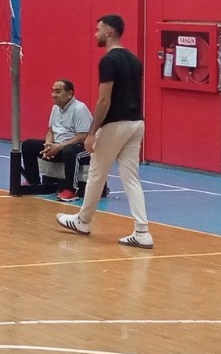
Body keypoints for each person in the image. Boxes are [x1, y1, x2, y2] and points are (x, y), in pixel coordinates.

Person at [56, 14, 153, 248]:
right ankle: (142, 232)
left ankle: (82, 221)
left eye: (98, 29)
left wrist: (91, 133)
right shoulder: (134, 60)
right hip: (136, 123)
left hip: (116, 124)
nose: (95, 34)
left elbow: (103, 100)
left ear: (109, 32)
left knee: (97, 173)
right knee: (131, 178)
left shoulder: (109, 61)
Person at [18, 78, 92, 197]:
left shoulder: (80, 108)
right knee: (28, 145)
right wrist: (48, 145)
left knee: (69, 151)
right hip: (59, 146)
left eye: (58, 91)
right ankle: (33, 182)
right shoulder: (55, 108)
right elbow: (51, 131)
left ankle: (71, 190)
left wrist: (59, 147)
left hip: (80, 148)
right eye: (52, 91)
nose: (54, 95)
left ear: (70, 93)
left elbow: (83, 136)